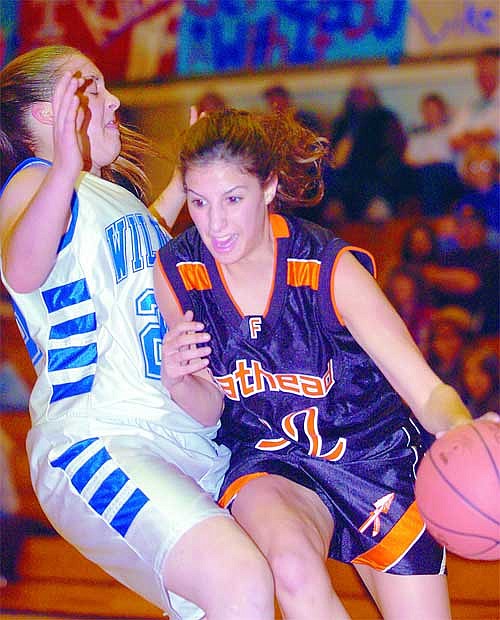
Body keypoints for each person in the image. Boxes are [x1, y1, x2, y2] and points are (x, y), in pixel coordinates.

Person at [154, 108, 497, 619]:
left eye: (232, 200)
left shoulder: (328, 268)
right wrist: (179, 382)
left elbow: (425, 391)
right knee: (291, 568)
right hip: (273, 461)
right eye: (200, 203)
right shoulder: (179, 272)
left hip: (372, 458)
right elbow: (208, 410)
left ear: (268, 188)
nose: (215, 224)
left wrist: (463, 431)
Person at [0, 46, 275, 620]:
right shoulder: (34, 184)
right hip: (101, 439)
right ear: (49, 111)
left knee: (235, 596)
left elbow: (135, 236)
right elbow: (21, 268)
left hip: (180, 435)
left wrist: (180, 181)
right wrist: (66, 168)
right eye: (93, 88)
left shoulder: (112, 199)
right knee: (240, 579)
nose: (114, 100)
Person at [449, 46, 500, 154]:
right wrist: (476, 137)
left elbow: (490, 134)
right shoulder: (469, 105)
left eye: (489, 72)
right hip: (468, 165)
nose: (484, 76)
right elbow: (453, 140)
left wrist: (468, 135)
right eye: (481, 73)